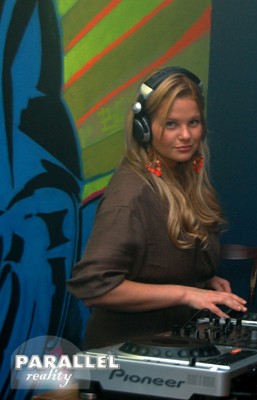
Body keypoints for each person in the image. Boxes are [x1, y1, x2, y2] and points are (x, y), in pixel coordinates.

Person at [67, 66, 247, 349]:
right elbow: (94, 287)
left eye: (193, 122)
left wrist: (203, 280)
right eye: (171, 124)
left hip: (166, 344)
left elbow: (156, 265)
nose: (186, 135)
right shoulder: (131, 196)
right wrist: (186, 294)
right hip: (122, 353)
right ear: (144, 129)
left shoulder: (181, 177)